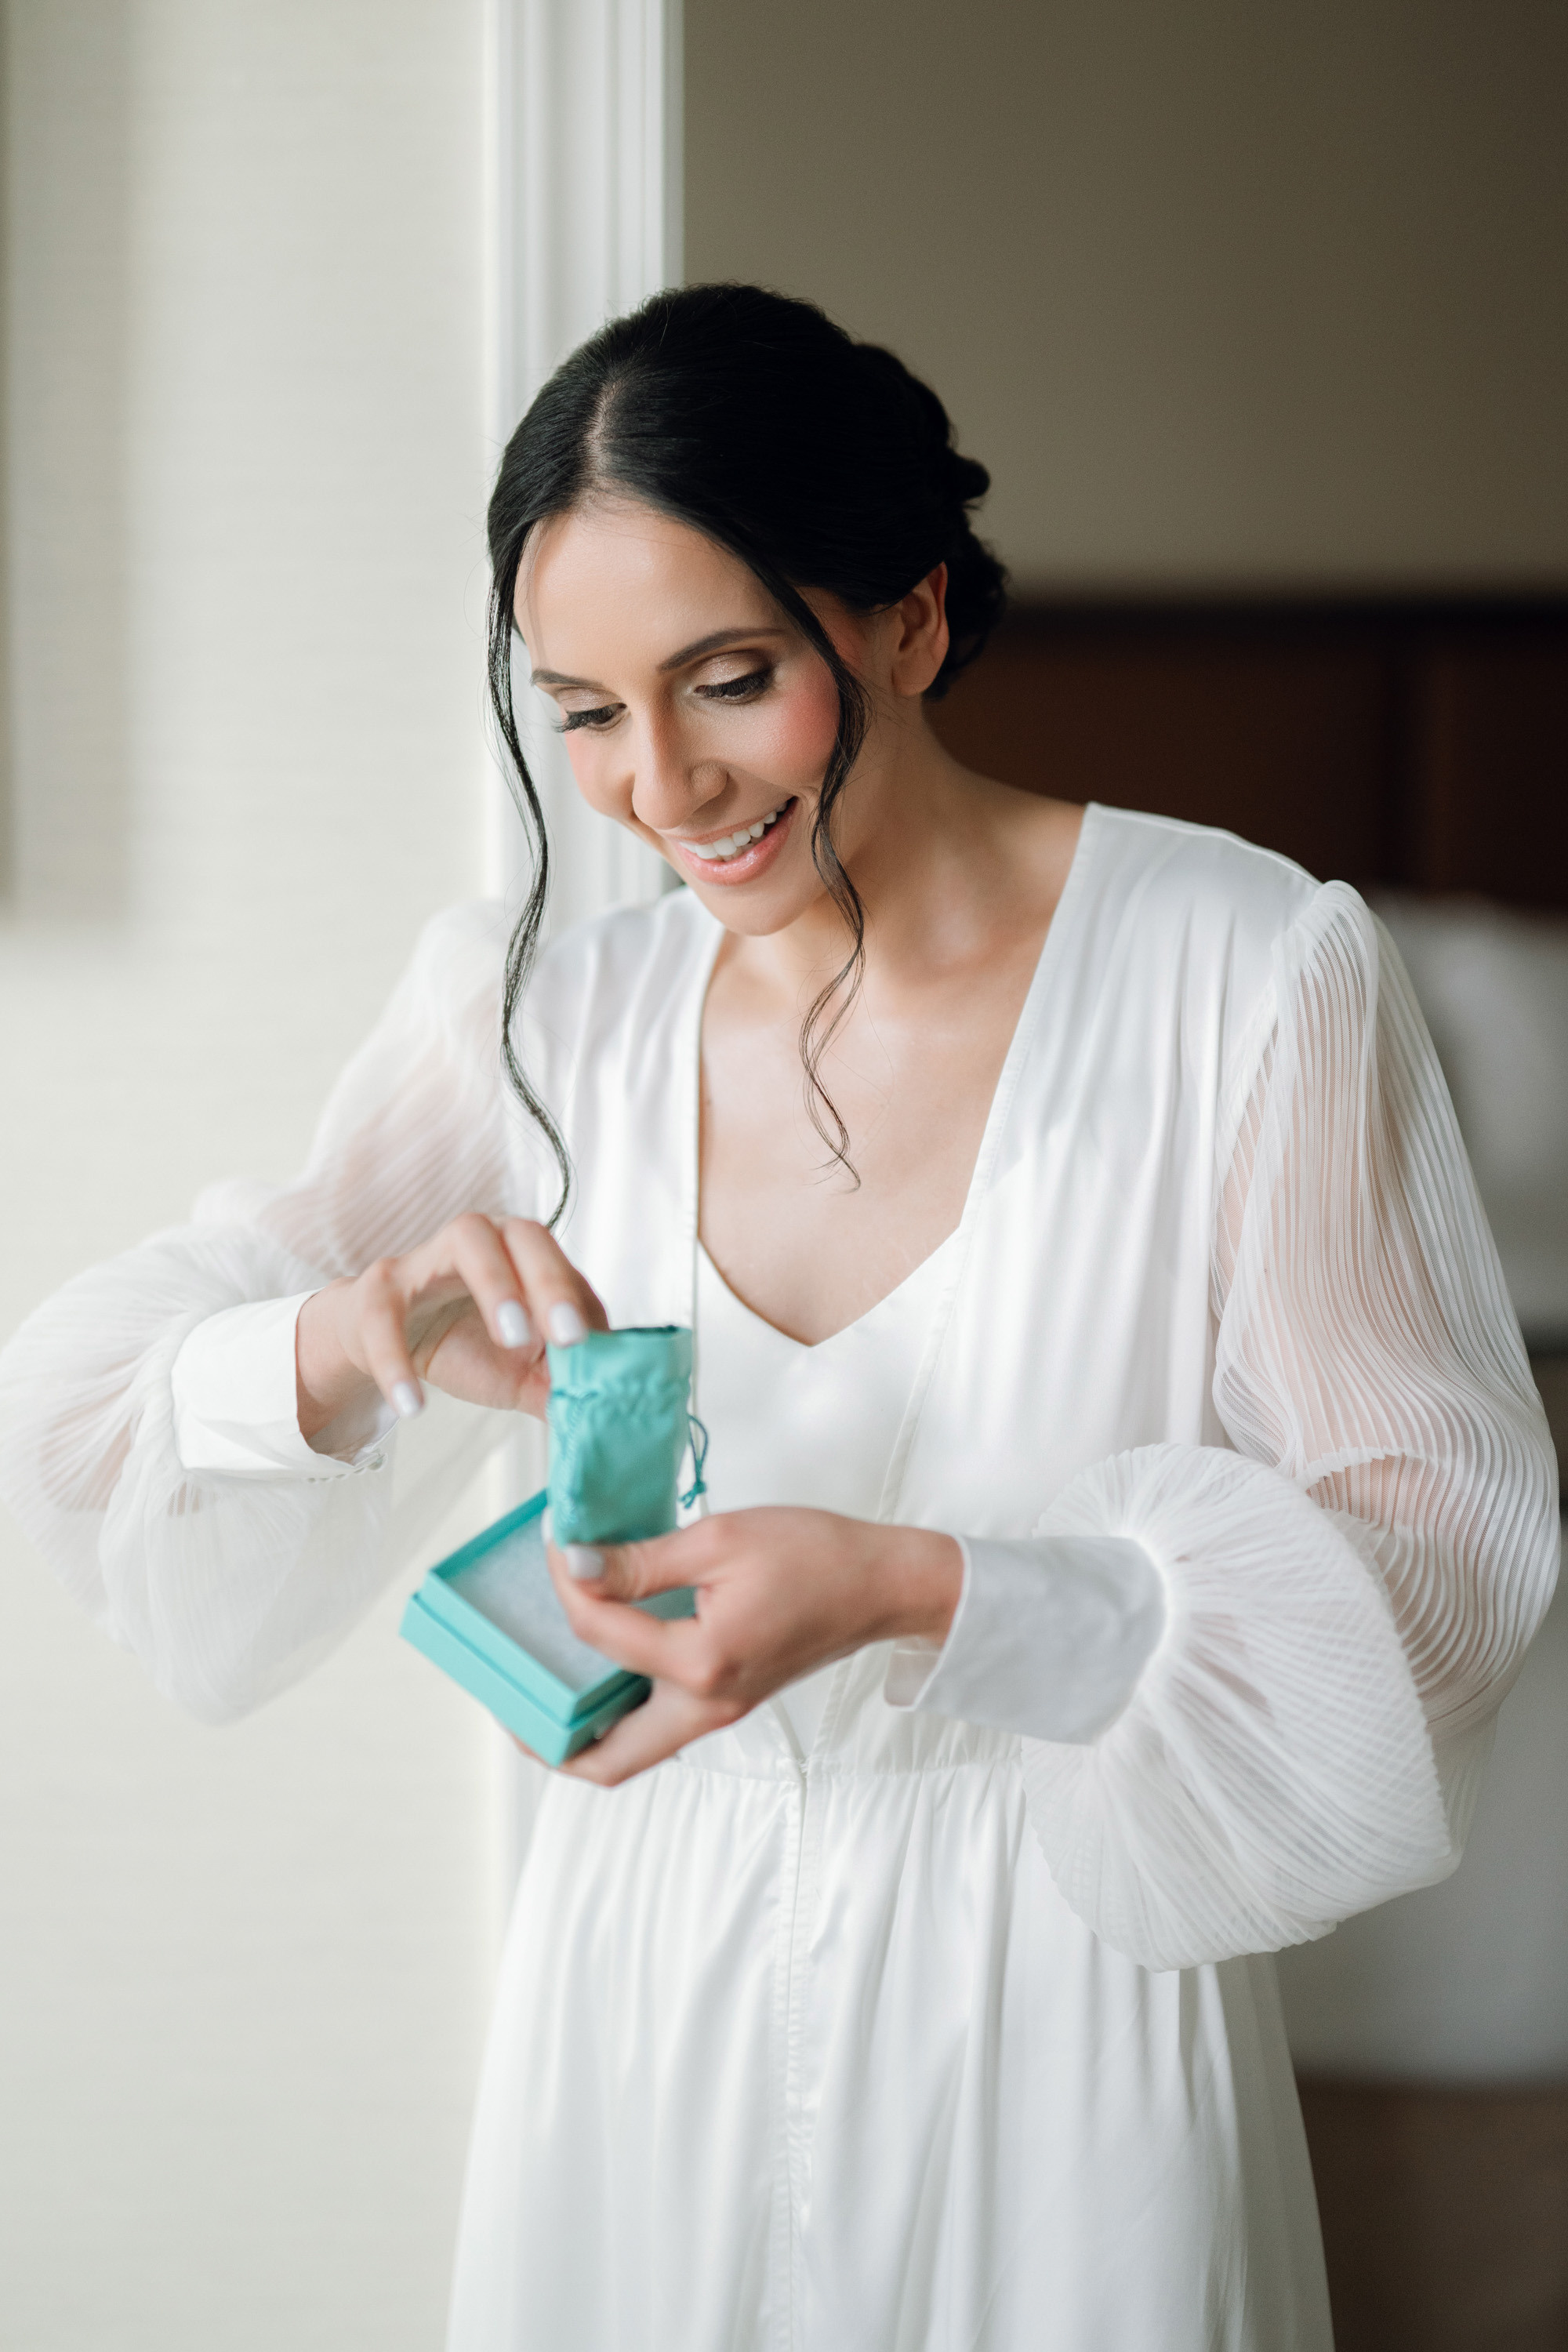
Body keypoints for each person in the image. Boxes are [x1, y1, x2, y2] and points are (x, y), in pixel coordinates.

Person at [0, 284, 1557, 2352]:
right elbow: (87, 1414)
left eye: (727, 680)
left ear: (910, 619)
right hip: (633, 2024)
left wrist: (929, 1595)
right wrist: (359, 1335)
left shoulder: (1249, 975)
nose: (658, 787)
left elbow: (1438, 1581)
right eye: (583, 709)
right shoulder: (536, 1009)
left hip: (1068, 2031)